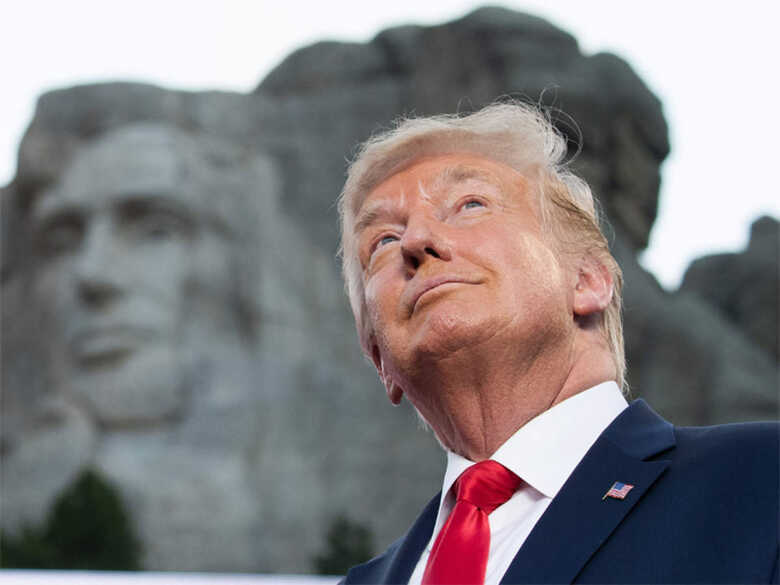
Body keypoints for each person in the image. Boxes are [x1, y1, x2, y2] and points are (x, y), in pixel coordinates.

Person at [337, 102, 779, 584]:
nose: (416, 240)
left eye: (470, 204)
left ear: (587, 280)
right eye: (381, 240)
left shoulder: (763, 482)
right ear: (378, 357)